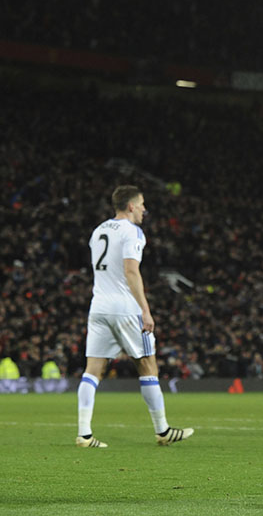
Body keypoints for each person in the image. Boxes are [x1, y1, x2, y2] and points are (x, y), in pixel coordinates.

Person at [77, 185, 193, 448]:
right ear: (131, 206)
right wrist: (145, 309)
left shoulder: (99, 231)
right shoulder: (133, 232)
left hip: (99, 306)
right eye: (141, 204)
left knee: (93, 370)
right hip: (125, 308)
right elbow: (131, 270)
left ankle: (84, 434)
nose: (144, 209)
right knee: (147, 365)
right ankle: (162, 430)